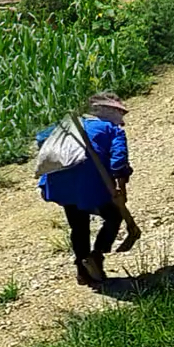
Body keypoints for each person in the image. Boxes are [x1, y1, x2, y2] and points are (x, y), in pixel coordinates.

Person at [37, 93, 132, 286]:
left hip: (60, 183)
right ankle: (97, 256)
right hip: (90, 184)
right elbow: (119, 162)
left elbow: (41, 138)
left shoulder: (69, 125)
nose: (121, 119)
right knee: (113, 216)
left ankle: (82, 272)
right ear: (107, 111)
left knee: (78, 226)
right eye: (119, 112)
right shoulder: (112, 130)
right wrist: (121, 189)